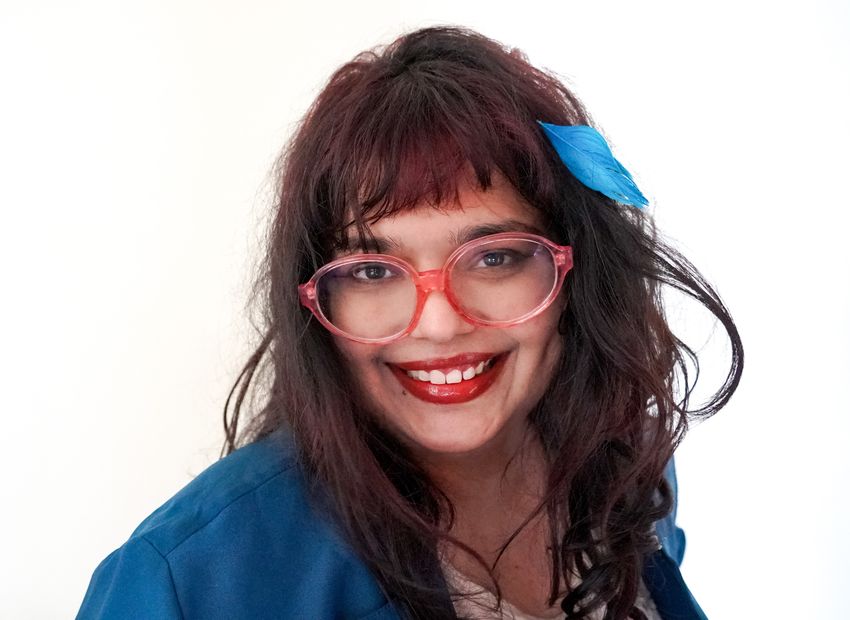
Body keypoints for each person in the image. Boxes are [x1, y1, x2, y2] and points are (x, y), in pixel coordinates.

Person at [77, 26, 743, 620]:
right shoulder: (185, 585)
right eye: (372, 270)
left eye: (495, 258)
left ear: (576, 273)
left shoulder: (625, 472)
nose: (440, 323)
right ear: (316, 300)